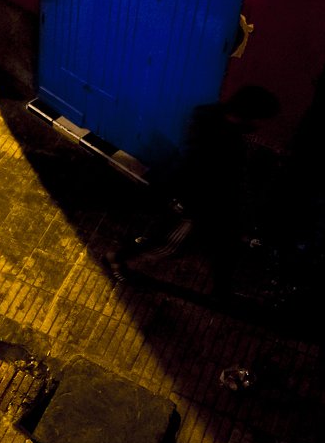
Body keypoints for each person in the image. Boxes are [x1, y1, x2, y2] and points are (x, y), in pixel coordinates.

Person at [106, 85, 281, 298]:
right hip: (198, 203)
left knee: (223, 247)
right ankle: (119, 257)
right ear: (249, 115)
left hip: (212, 203)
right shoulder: (218, 135)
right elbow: (197, 169)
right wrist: (186, 202)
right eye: (260, 119)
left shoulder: (211, 118)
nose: (260, 125)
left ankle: (222, 290)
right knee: (168, 245)